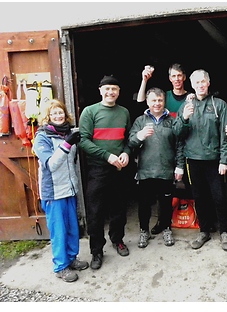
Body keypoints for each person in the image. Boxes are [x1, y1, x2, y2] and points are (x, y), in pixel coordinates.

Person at [173, 69, 227, 251]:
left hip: (214, 160)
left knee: (219, 197)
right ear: (191, 85)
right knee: (199, 197)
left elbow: (225, 134)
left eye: (202, 82)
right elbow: (177, 134)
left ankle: (223, 232)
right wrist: (184, 118)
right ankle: (204, 231)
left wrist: (224, 160)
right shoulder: (186, 105)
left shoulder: (219, 104)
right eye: (196, 82)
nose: (200, 85)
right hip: (193, 160)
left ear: (208, 83)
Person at [79, 75, 132, 270]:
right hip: (98, 168)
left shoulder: (124, 112)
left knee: (119, 208)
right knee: (96, 211)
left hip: (119, 167)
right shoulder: (89, 111)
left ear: (119, 92)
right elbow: (83, 140)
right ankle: (96, 250)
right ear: (100, 90)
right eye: (107, 89)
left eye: (114, 89)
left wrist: (126, 153)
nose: (111, 92)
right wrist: (107, 156)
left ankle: (117, 240)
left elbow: (127, 138)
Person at [33, 99, 89, 282]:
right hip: (53, 192)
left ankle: (71, 259)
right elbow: (51, 164)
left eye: (61, 113)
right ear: (48, 117)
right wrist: (67, 144)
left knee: (73, 228)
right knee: (59, 231)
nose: (58, 116)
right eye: (54, 113)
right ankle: (60, 266)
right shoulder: (42, 137)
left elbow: (71, 162)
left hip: (69, 189)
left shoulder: (68, 133)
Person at [136, 63, 193, 234]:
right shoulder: (164, 96)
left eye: (179, 76)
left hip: (190, 145)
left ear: (184, 77)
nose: (176, 79)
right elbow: (141, 103)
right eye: (173, 76)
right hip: (170, 146)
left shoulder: (191, 97)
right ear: (170, 78)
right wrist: (144, 80)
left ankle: (197, 219)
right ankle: (164, 222)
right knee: (165, 193)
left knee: (192, 188)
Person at [128, 87, 184, 248]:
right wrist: (140, 136)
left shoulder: (172, 121)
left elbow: (179, 145)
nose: (157, 103)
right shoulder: (140, 121)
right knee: (144, 203)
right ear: (147, 102)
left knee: (165, 202)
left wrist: (179, 166)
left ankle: (166, 228)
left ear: (164, 101)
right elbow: (131, 142)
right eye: (153, 100)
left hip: (166, 169)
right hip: (145, 170)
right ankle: (144, 231)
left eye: (160, 100)